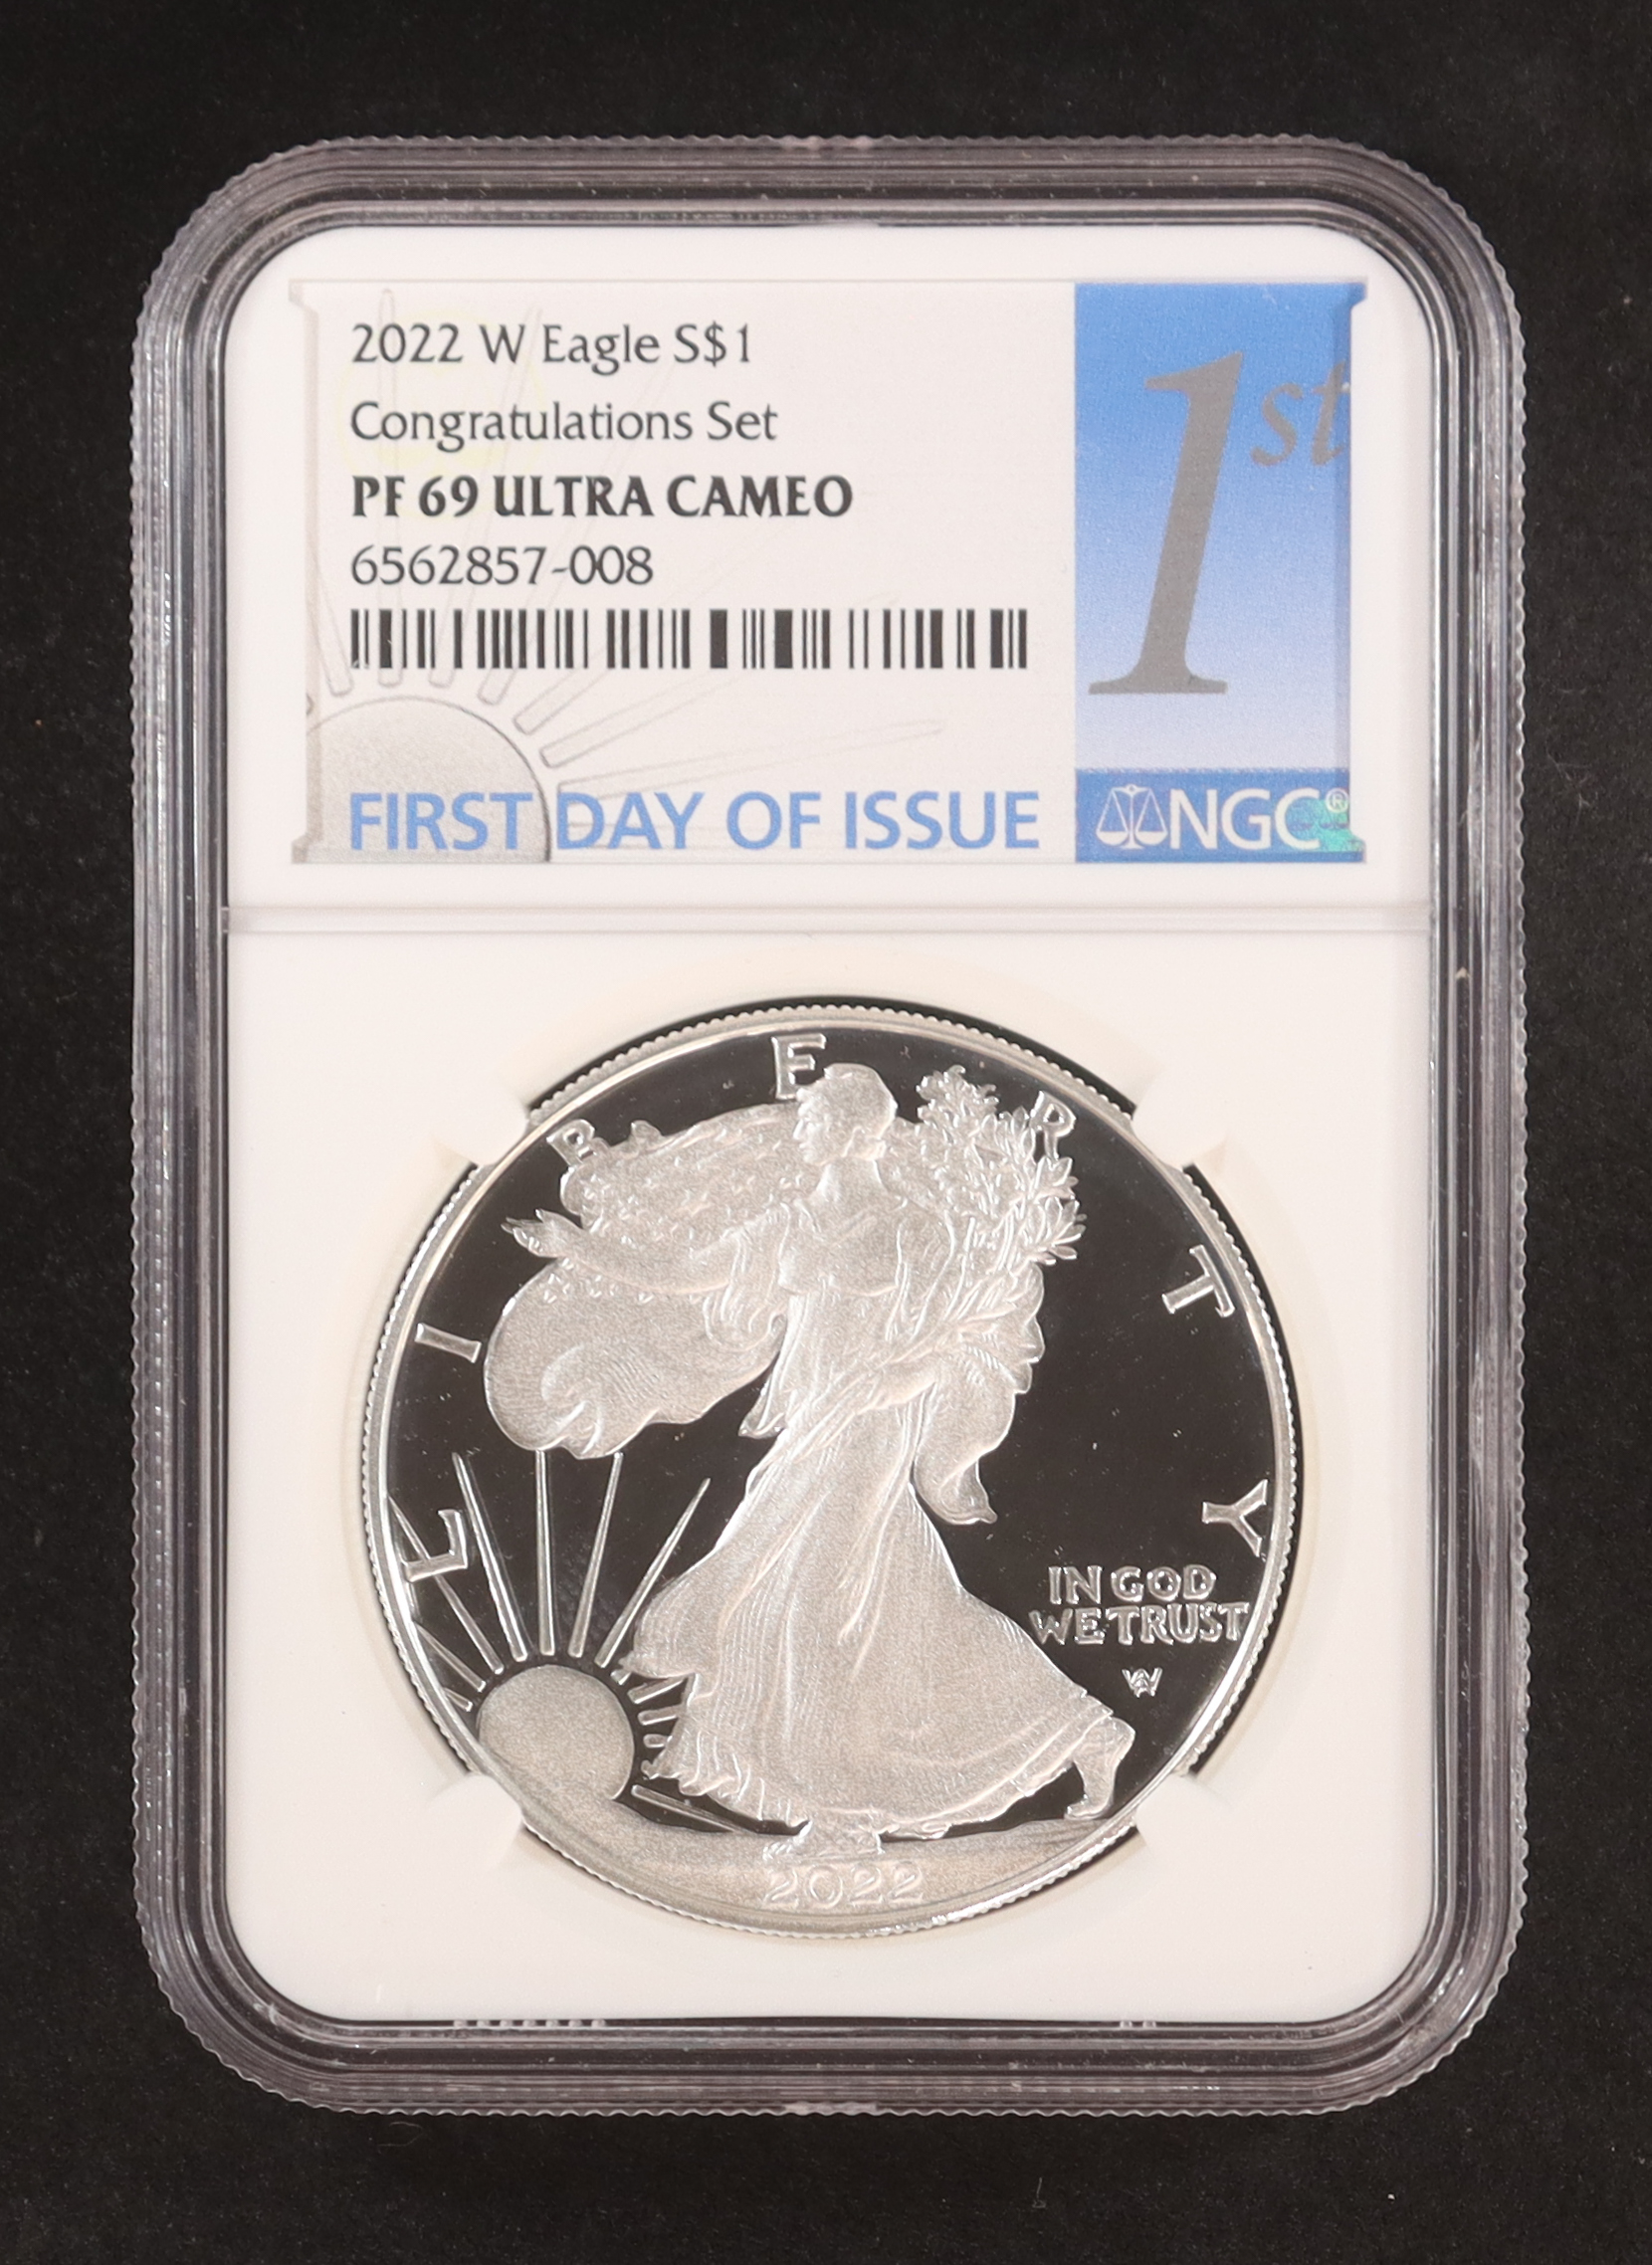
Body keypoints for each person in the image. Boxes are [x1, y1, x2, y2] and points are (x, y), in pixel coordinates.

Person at [491, 1062, 1133, 1859]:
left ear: (852, 1128)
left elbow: (956, 1340)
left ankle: (842, 1816)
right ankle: (1084, 1731)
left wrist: (896, 1379)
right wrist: (577, 1247)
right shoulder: (790, 1224)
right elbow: (685, 1274)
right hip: (811, 1429)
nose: (802, 1126)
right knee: (902, 1607)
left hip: (870, 1431)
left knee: (812, 1602)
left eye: (817, 1115)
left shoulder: (914, 1230)